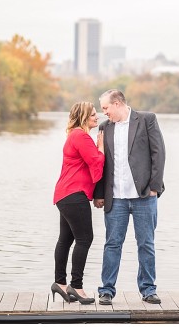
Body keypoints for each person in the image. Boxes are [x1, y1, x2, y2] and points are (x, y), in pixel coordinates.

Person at [93, 89, 166, 305]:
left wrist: (154, 186)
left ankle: (148, 289)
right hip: (115, 198)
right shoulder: (105, 127)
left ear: (117, 104)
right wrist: (99, 194)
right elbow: (101, 162)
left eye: (106, 108)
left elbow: (158, 153)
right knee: (112, 244)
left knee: (146, 244)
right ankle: (106, 290)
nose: (103, 112)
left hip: (144, 196)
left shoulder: (146, 120)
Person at [52, 102, 105, 304]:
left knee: (65, 239)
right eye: (93, 115)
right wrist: (101, 148)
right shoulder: (81, 136)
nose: (97, 117)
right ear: (83, 117)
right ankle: (77, 285)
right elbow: (97, 162)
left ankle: (60, 283)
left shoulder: (73, 135)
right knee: (85, 239)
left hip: (64, 195)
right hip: (75, 194)